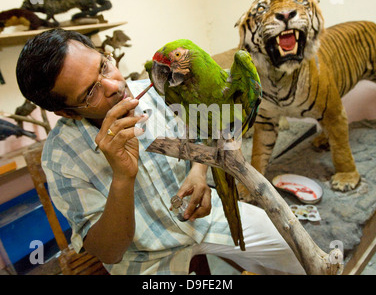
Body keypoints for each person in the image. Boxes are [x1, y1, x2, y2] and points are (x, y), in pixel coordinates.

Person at [16, 28, 305, 275]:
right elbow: (109, 251)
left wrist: (198, 172)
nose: (116, 86)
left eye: (104, 66)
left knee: (295, 249)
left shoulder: (159, 88)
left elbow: (203, 131)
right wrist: (122, 177)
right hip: (144, 259)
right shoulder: (59, 157)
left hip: (208, 219)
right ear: (68, 112)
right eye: (90, 92)